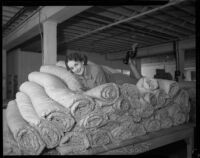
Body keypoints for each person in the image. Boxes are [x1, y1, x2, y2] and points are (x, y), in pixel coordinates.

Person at [65, 46, 142, 90]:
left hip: (118, 80)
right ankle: (131, 62)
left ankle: (131, 63)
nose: (76, 69)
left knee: (140, 82)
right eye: (72, 68)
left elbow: (103, 90)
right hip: (113, 80)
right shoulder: (76, 75)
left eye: (76, 65)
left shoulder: (95, 70)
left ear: (82, 62)